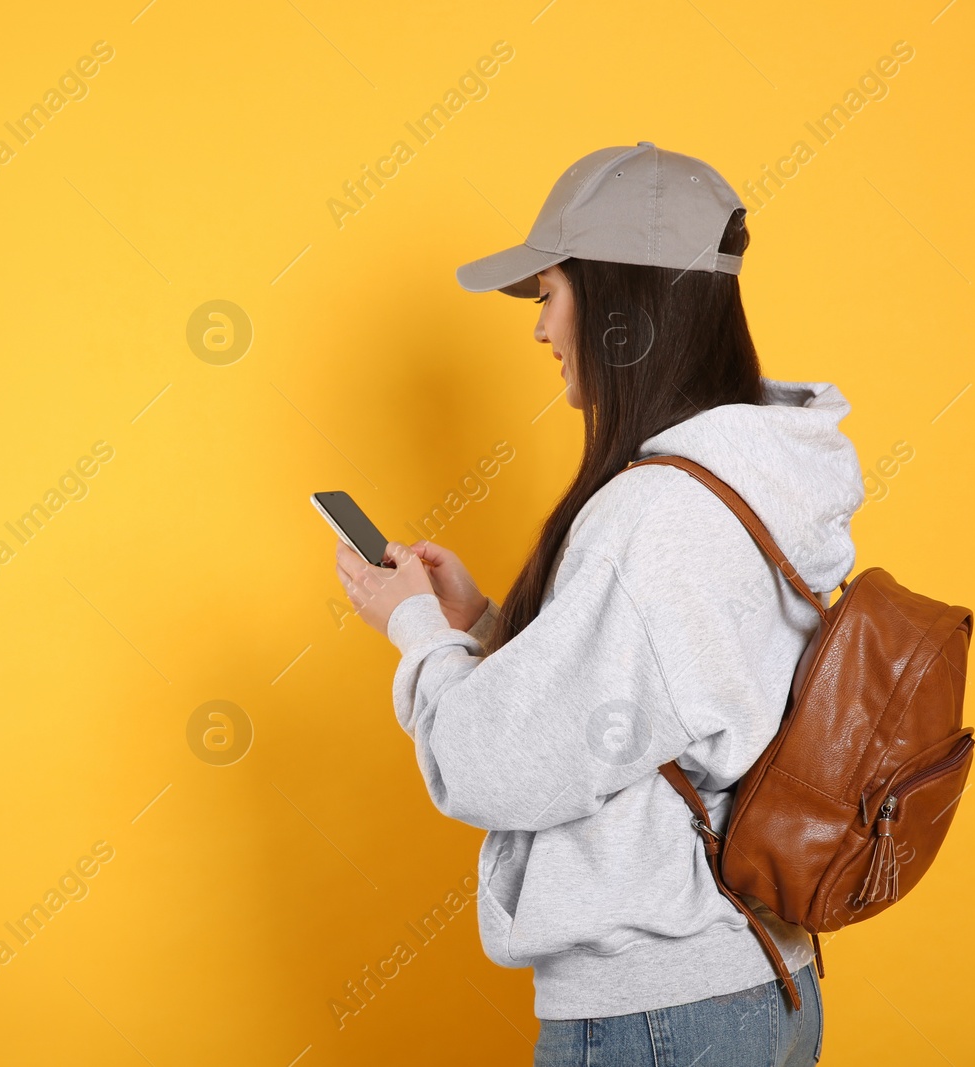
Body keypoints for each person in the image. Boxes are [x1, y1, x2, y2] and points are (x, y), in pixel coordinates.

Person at [333, 143, 863, 1066]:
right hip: (763, 985)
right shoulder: (751, 477)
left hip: (664, 1013)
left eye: (548, 294)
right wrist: (487, 626)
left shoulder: (654, 514)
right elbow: (682, 690)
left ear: (620, 307)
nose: (541, 330)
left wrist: (414, 629)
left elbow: (487, 763)